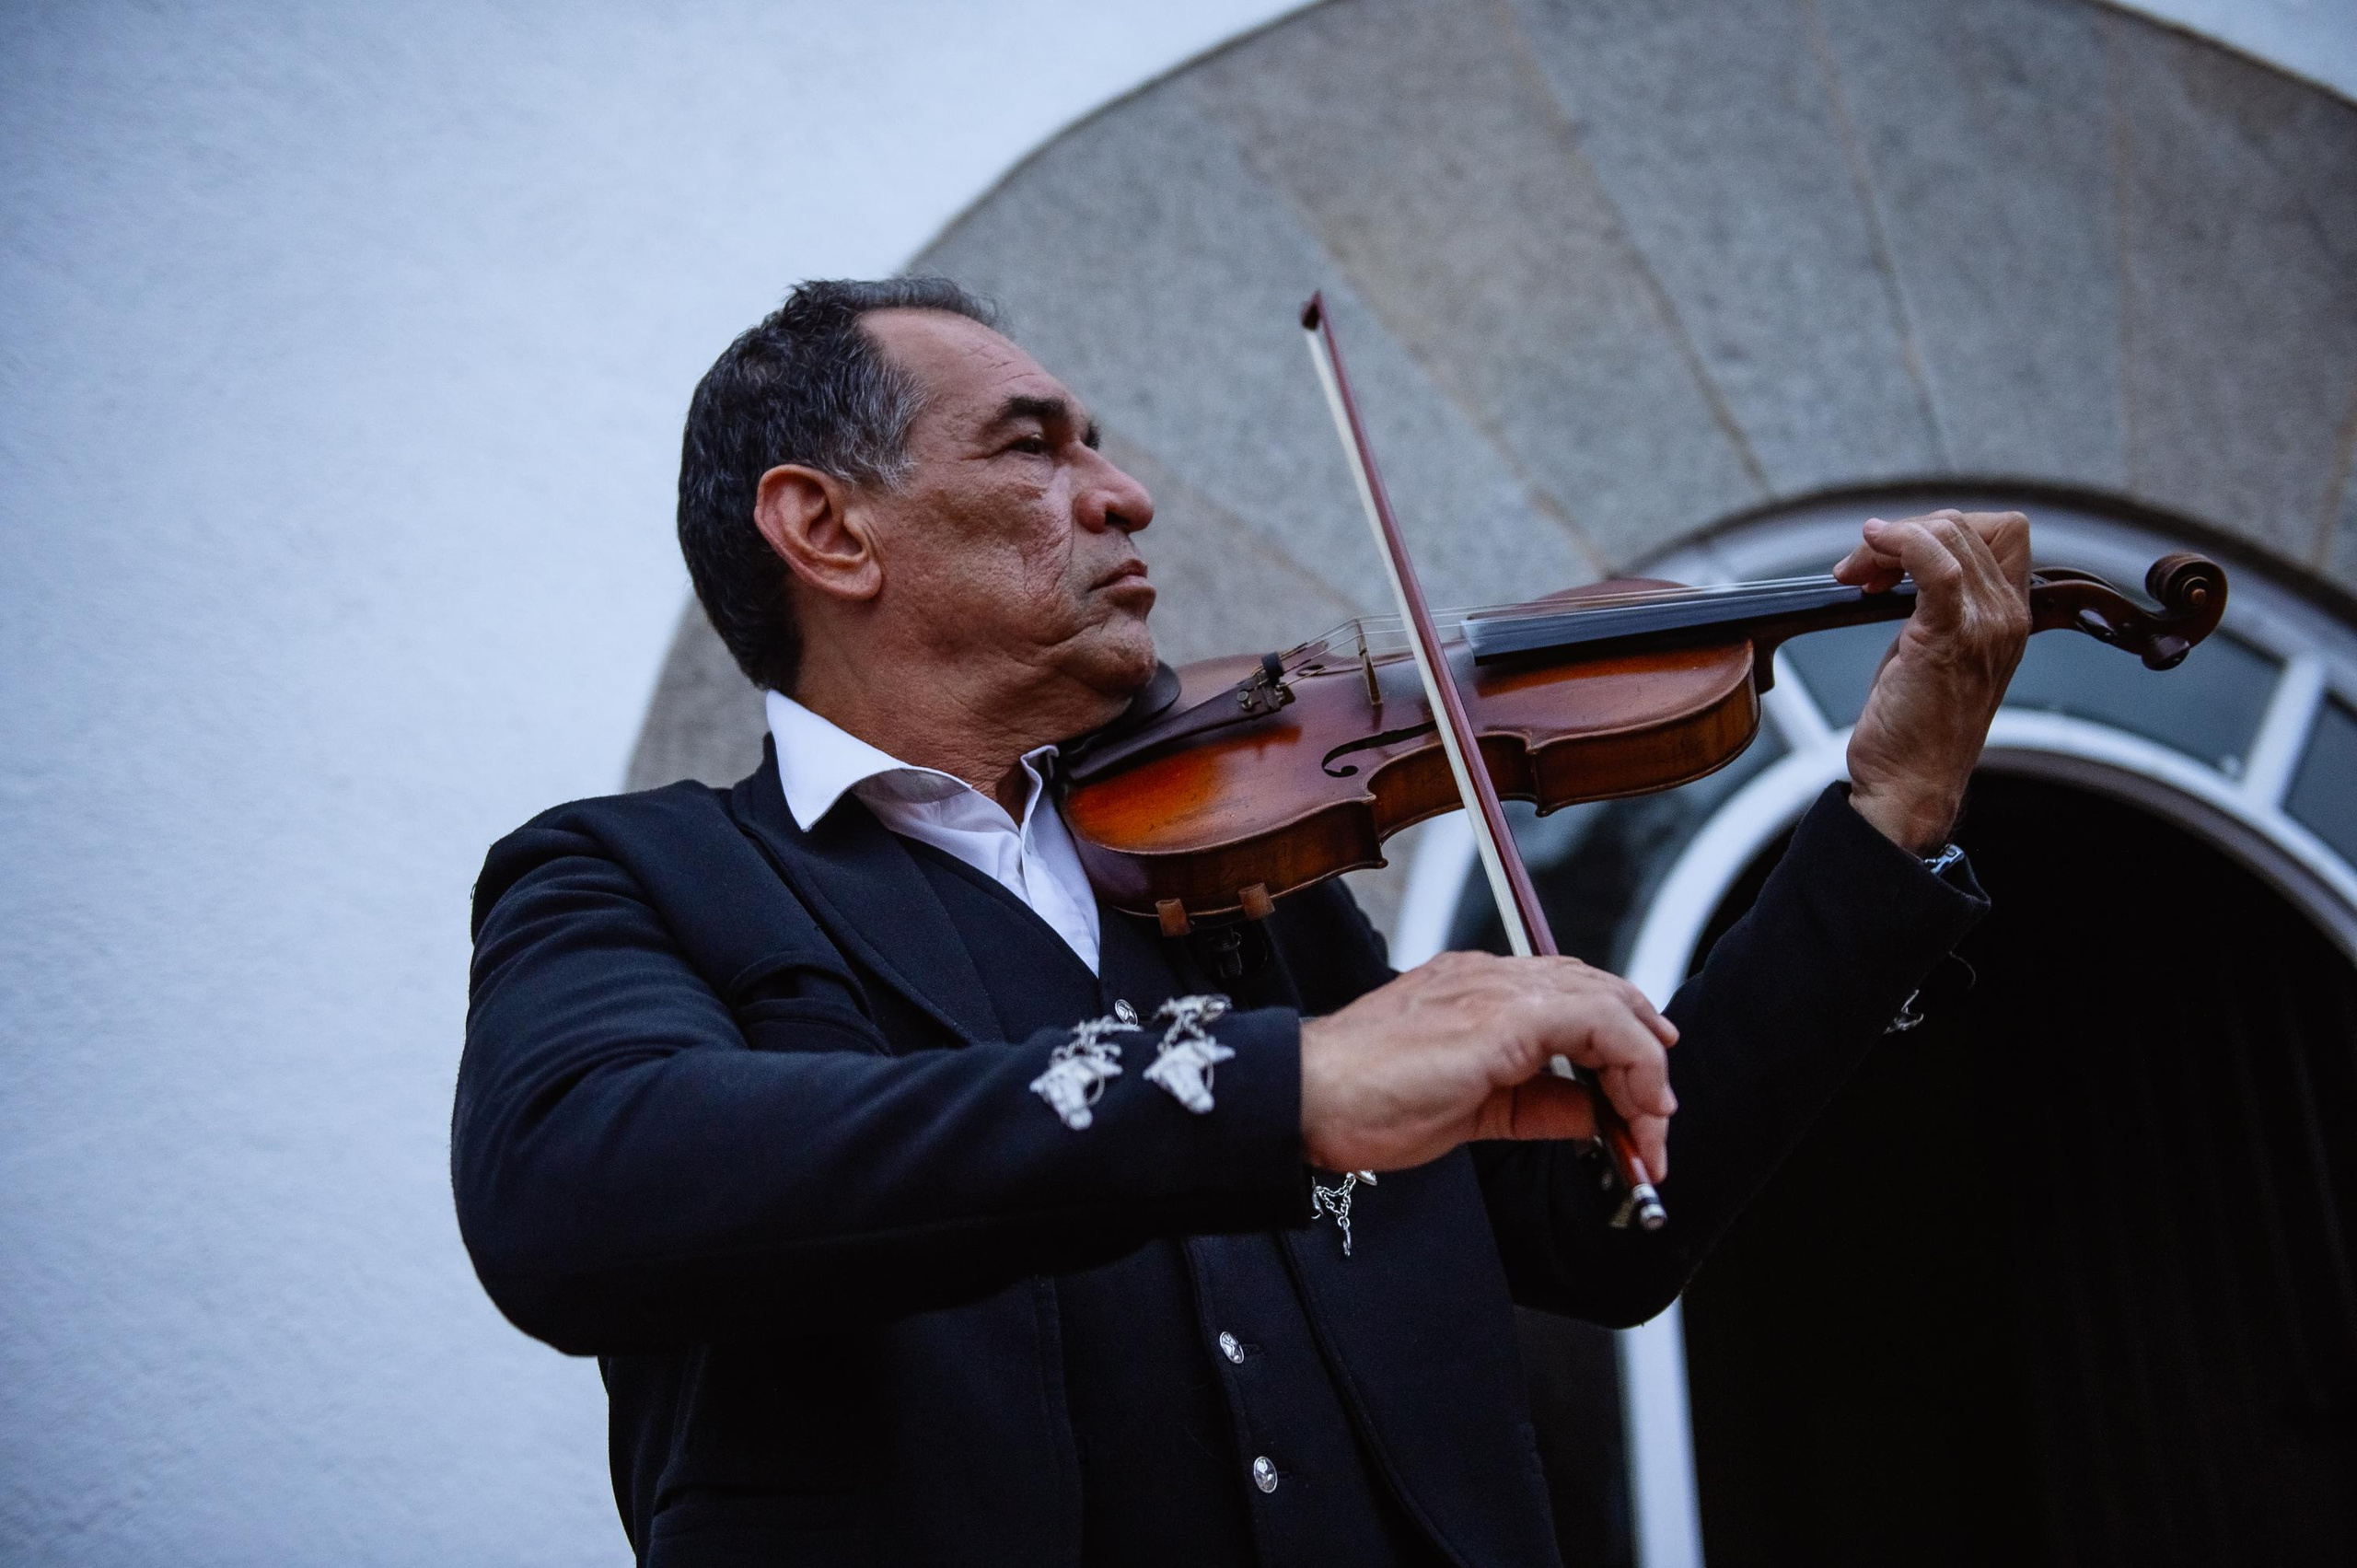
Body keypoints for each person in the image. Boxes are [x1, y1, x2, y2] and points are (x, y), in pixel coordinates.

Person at [454, 276, 2026, 1567]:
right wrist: (1281, 1085)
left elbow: (1605, 1226)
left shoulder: (1235, 881)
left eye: (1098, 447)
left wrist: (1889, 819)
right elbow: (577, 1188)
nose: (1123, 492)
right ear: (829, 530)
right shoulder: (636, 878)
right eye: (1033, 449)